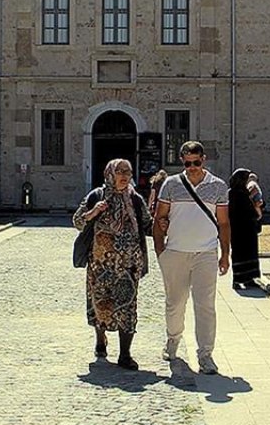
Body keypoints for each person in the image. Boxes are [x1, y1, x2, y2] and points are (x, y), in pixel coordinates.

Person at [153, 141, 231, 375]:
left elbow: (224, 222)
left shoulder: (217, 186)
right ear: (182, 162)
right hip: (176, 252)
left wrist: (225, 254)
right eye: (188, 163)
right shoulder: (171, 184)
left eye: (196, 162)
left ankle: (205, 354)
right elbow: (159, 218)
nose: (193, 167)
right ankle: (173, 339)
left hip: (205, 253)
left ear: (203, 160)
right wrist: (160, 252)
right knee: (175, 303)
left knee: (205, 305)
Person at [73, 159, 153, 370]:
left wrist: (167, 221)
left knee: (127, 306)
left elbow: (147, 224)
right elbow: (78, 222)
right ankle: (100, 340)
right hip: (100, 265)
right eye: (119, 171)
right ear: (110, 174)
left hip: (128, 266)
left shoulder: (135, 199)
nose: (124, 175)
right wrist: (93, 213)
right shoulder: (96, 196)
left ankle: (125, 355)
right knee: (101, 304)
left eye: (128, 171)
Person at [227, 168, 262, 288]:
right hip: (238, 230)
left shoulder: (245, 193)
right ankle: (237, 279)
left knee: (250, 253)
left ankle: (249, 279)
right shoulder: (233, 194)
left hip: (249, 230)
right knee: (238, 254)